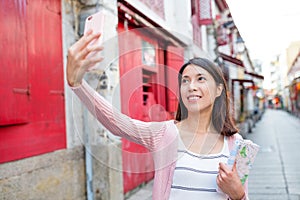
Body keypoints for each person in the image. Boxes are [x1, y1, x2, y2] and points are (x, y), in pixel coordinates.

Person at [67, 30, 248, 200]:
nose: (191, 86)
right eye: (185, 81)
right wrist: (77, 84)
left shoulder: (237, 144)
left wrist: (238, 194)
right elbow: (117, 123)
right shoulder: (165, 133)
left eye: (201, 79)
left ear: (218, 90)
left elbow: (242, 194)